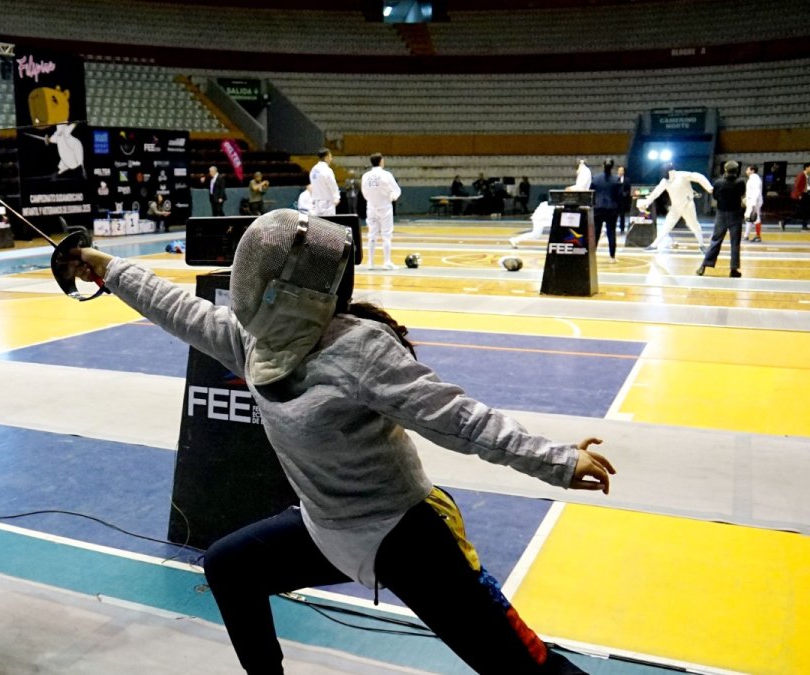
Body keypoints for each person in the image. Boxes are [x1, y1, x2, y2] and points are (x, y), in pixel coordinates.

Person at [68, 210, 615, 675]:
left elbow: (460, 419)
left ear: (281, 290)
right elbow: (179, 309)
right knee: (229, 566)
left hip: (402, 534)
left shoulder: (361, 351)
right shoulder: (254, 345)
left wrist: (560, 460)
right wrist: (107, 267)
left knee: (528, 667)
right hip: (322, 528)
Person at [508, 161, 594, 248]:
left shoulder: (566, 202)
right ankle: (514, 240)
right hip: (542, 215)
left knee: (537, 234)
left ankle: (514, 240)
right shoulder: (552, 205)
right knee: (536, 234)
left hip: (545, 216)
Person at [637, 163, 712, 252]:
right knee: (666, 226)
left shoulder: (682, 175)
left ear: (669, 172)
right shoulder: (665, 181)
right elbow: (656, 193)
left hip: (687, 205)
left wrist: (709, 187)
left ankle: (702, 245)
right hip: (675, 207)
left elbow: (698, 176)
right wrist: (646, 203)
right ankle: (654, 245)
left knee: (694, 225)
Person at [697, 161, 746, 278]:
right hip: (735, 214)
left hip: (721, 214)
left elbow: (715, 196)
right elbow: (742, 194)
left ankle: (704, 265)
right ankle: (733, 269)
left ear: (725, 169)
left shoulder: (718, 182)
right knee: (735, 243)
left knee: (715, 241)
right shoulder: (740, 182)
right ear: (736, 170)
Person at [361, 153, 402, 270]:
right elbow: (396, 191)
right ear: (380, 161)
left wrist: (372, 200)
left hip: (371, 207)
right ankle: (387, 262)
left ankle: (370, 262)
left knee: (371, 235)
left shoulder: (365, 176)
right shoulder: (386, 175)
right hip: (384, 207)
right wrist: (392, 197)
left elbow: (364, 193)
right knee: (386, 235)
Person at [590, 159, 619, 263]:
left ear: (603, 165)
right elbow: (619, 196)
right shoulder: (617, 179)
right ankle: (612, 256)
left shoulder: (595, 178)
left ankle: (592, 254)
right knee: (611, 232)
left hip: (598, 208)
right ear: (612, 167)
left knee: (596, 232)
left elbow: (591, 193)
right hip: (612, 209)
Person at [308, 147, 339, 216]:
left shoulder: (313, 169)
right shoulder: (327, 170)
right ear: (327, 157)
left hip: (316, 203)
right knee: (329, 225)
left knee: (318, 225)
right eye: (330, 156)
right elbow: (332, 185)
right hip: (327, 203)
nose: (331, 159)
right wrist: (337, 197)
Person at [743, 164, 763, 243]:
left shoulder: (755, 179)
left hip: (754, 202)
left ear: (752, 170)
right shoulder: (752, 178)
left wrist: (753, 203)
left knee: (755, 218)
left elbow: (756, 191)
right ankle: (746, 235)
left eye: (748, 169)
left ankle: (758, 236)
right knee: (748, 218)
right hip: (751, 201)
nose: (746, 171)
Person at [792, 163, 810, 230]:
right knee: (800, 212)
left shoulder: (807, 175)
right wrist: (799, 195)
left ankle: (804, 225)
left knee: (806, 211)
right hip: (801, 195)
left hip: (806, 195)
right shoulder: (801, 175)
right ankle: (784, 222)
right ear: (806, 167)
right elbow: (797, 185)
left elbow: (807, 185)